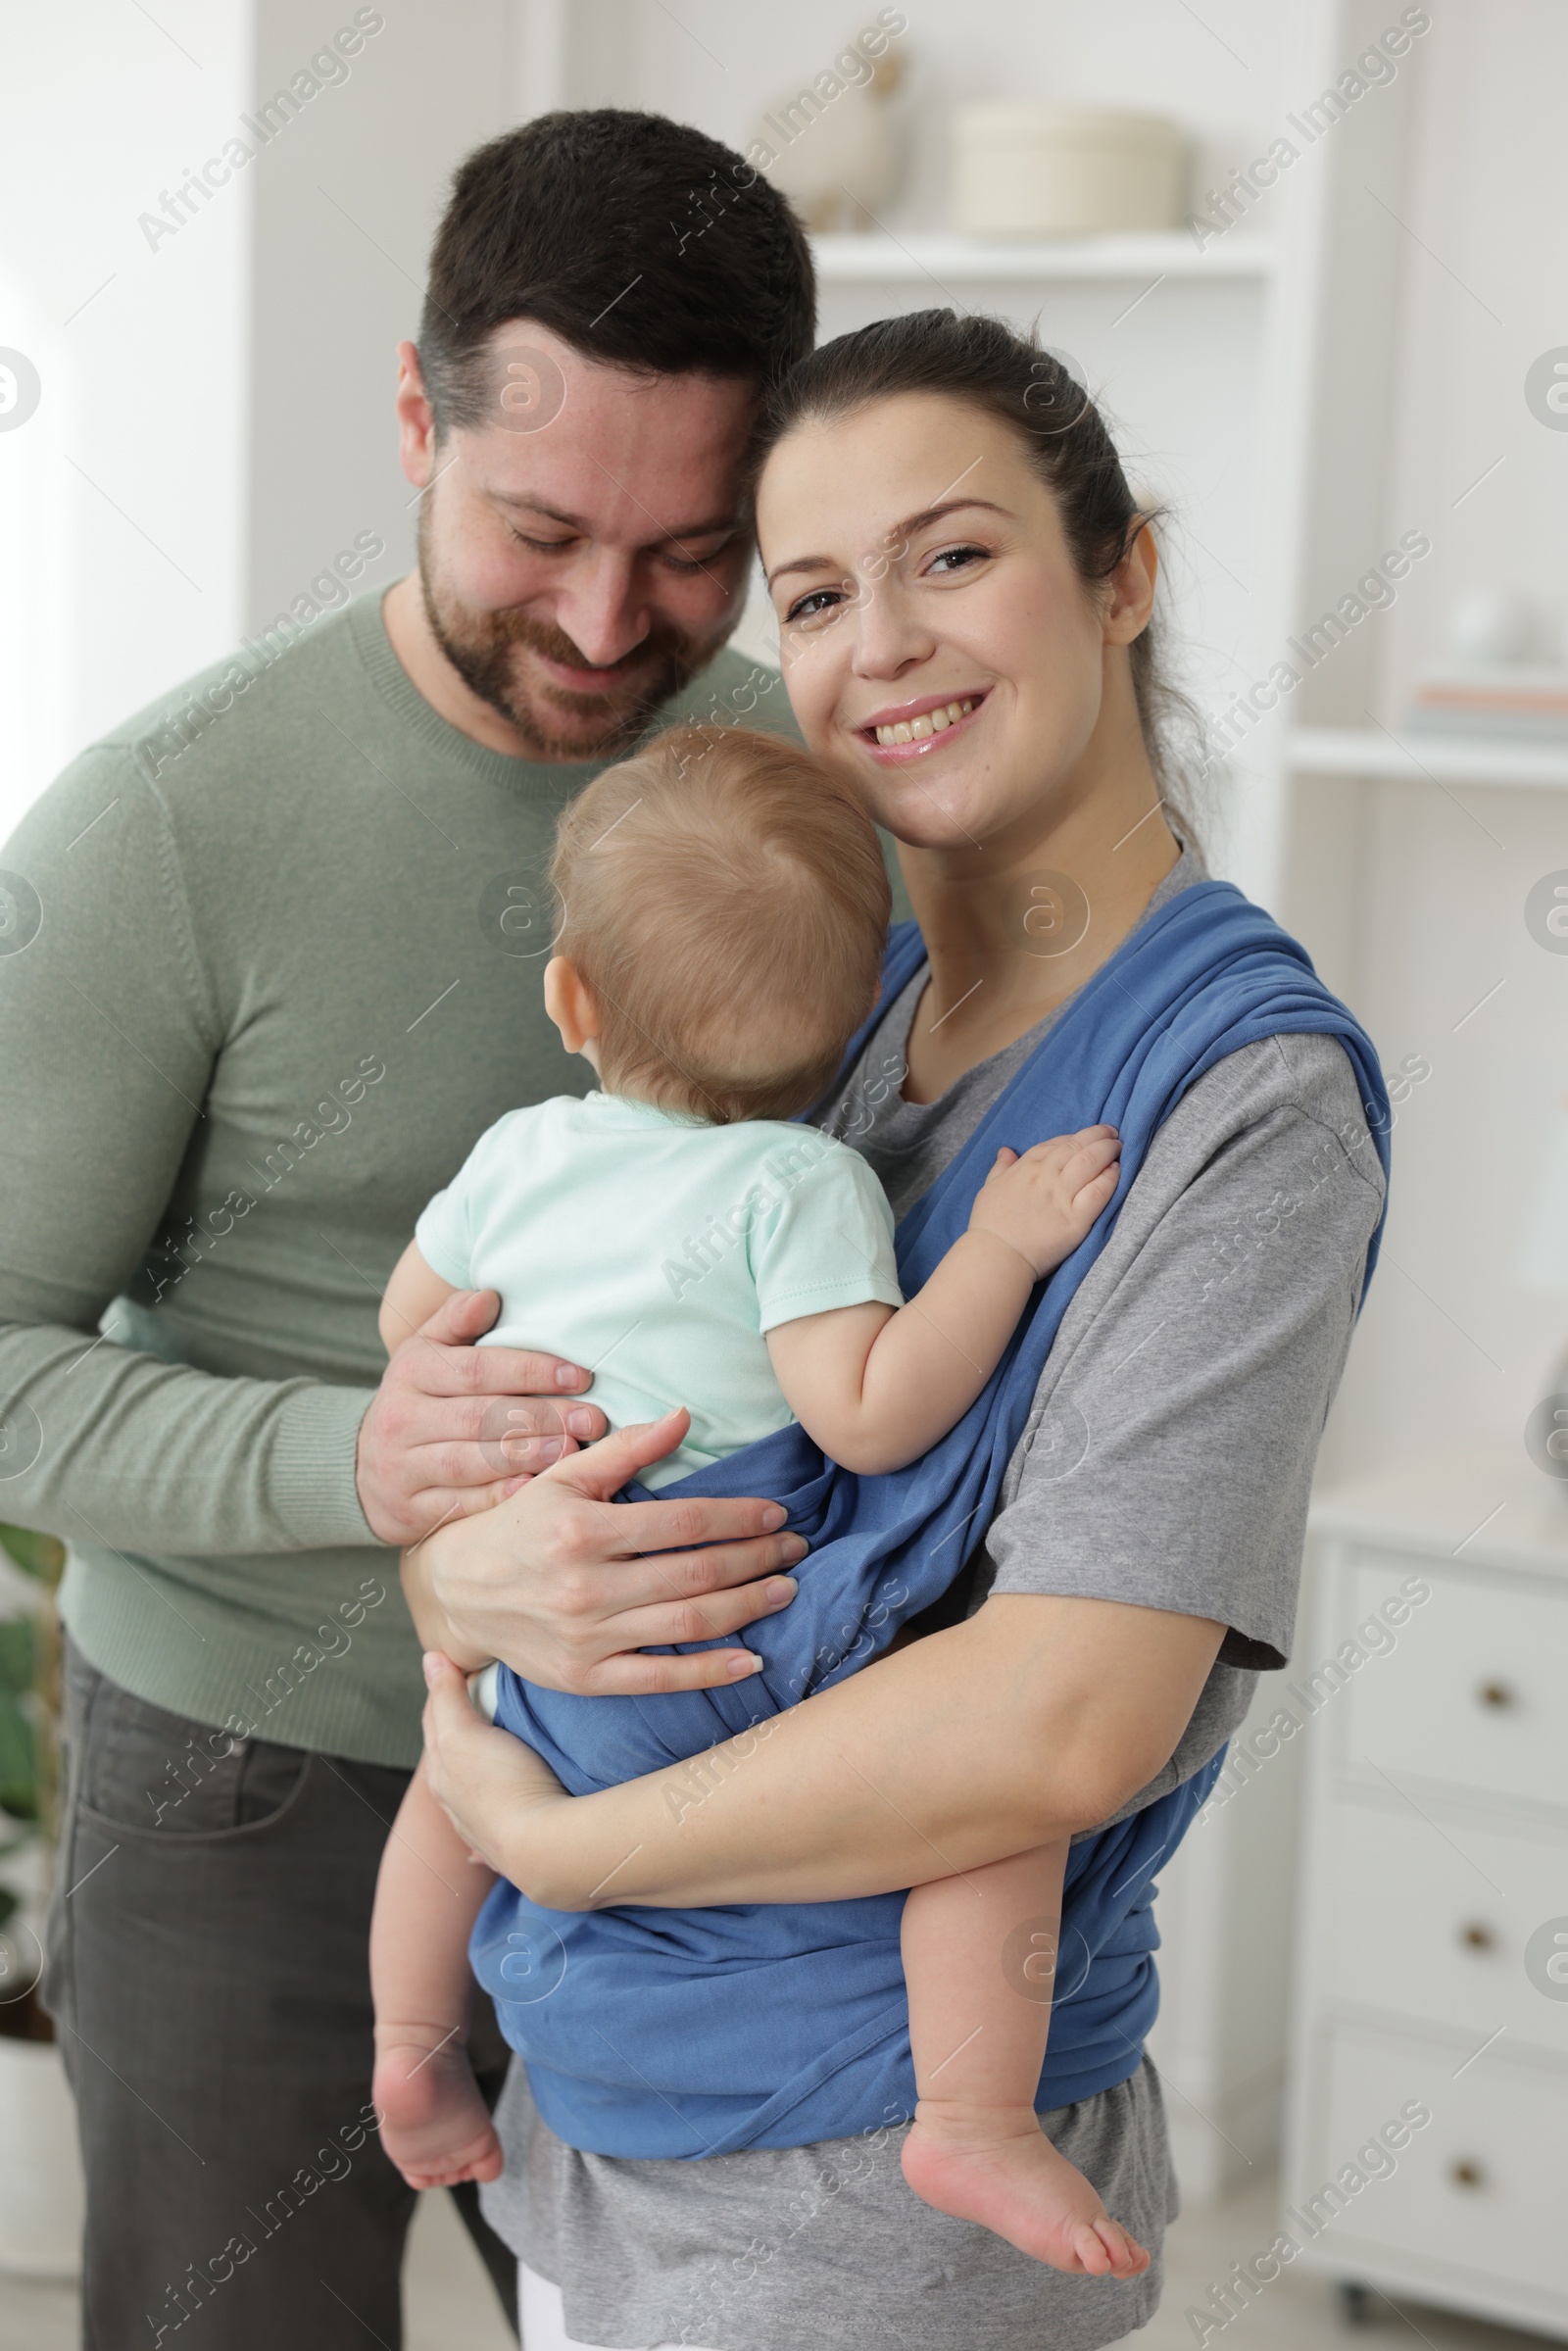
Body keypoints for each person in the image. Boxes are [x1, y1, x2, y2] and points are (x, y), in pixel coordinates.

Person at [403, 310, 1392, 2351]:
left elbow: (1061, 1722)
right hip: (600, 2121)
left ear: (1120, 571)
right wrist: (473, 1560)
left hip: (857, 2200)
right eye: (818, 596)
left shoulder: (1237, 1098)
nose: (884, 648)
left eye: (953, 557)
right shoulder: (803, 1020)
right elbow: (489, 1404)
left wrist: (564, 1837)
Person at [0, 111, 823, 2348]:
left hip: (703, 1784)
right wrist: (361, 1467)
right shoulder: (167, 830)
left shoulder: (801, 808)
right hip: (253, 1793)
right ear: (412, 415)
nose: (598, 621)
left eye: (689, 554)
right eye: (538, 529)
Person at [365, 723, 1136, 2278]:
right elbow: (869, 1419)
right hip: (727, 1635)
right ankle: (975, 2116)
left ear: (568, 994)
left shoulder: (518, 1155)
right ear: (864, 1006)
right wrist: (998, 1248)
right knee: (991, 1798)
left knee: (456, 1774)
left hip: (556, 1646)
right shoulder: (797, 1186)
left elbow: (409, 1329)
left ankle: (408, 2041)